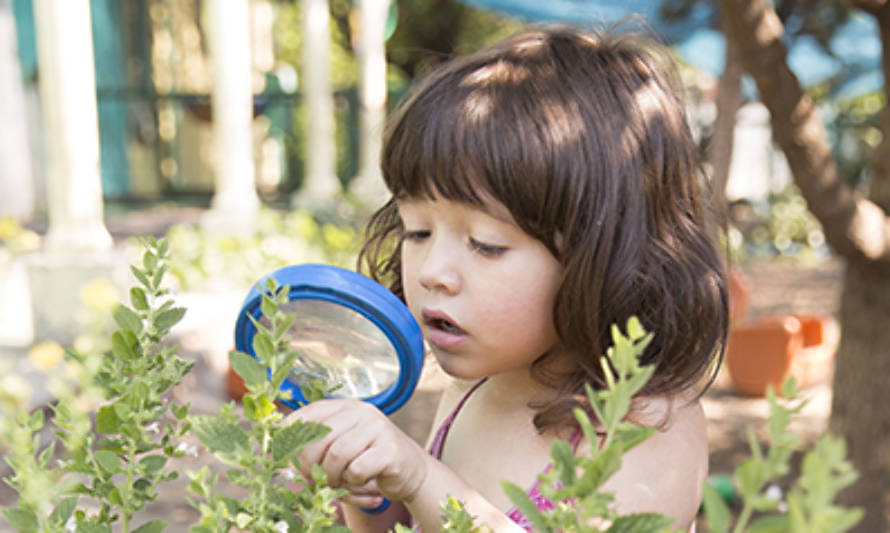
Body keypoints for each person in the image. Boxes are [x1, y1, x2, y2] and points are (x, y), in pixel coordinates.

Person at [291, 24, 728, 532]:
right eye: (416, 232)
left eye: (485, 244)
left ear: (604, 257)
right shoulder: (473, 389)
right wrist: (371, 498)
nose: (433, 272)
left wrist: (419, 479)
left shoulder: (646, 428)